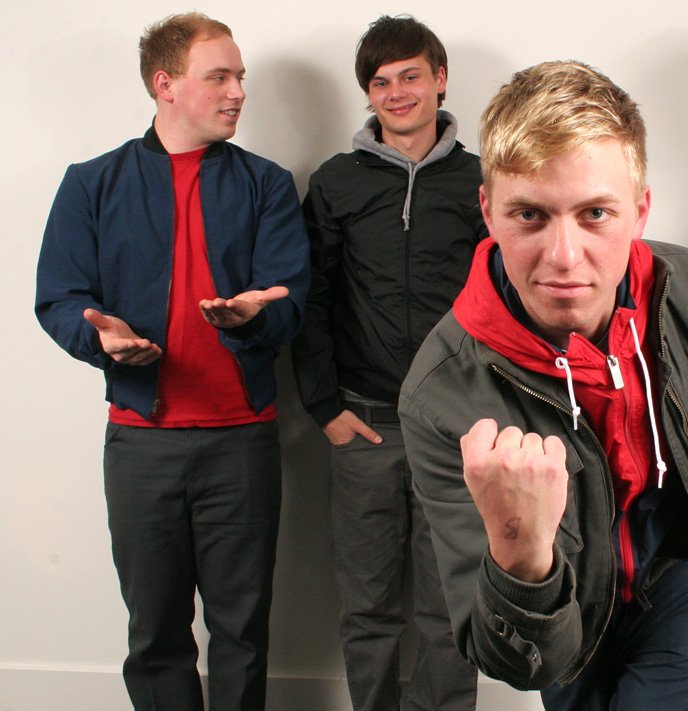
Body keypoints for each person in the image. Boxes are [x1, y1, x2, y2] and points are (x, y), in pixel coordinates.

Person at [398, 60, 688, 711]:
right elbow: (516, 663)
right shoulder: (440, 391)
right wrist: (521, 549)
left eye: (595, 213)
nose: (564, 256)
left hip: (681, 568)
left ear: (640, 210)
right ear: (488, 210)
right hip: (565, 594)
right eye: (529, 214)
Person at [34, 12, 308, 711]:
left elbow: (291, 302)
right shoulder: (91, 183)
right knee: (154, 635)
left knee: (242, 632)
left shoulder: (268, 184)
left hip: (243, 441)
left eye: (240, 76)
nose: (238, 91)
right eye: (219, 77)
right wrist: (101, 339)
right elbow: (60, 297)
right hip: (140, 443)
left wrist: (253, 317)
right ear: (166, 84)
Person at [291, 15, 485, 711]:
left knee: (450, 609)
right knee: (367, 609)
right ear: (368, 94)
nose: (397, 92)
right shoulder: (336, 182)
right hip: (364, 426)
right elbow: (311, 297)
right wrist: (325, 408)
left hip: (456, 430)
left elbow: (509, 298)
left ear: (440, 79)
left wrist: (490, 408)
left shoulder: (482, 180)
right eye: (381, 82)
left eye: (411, 76)